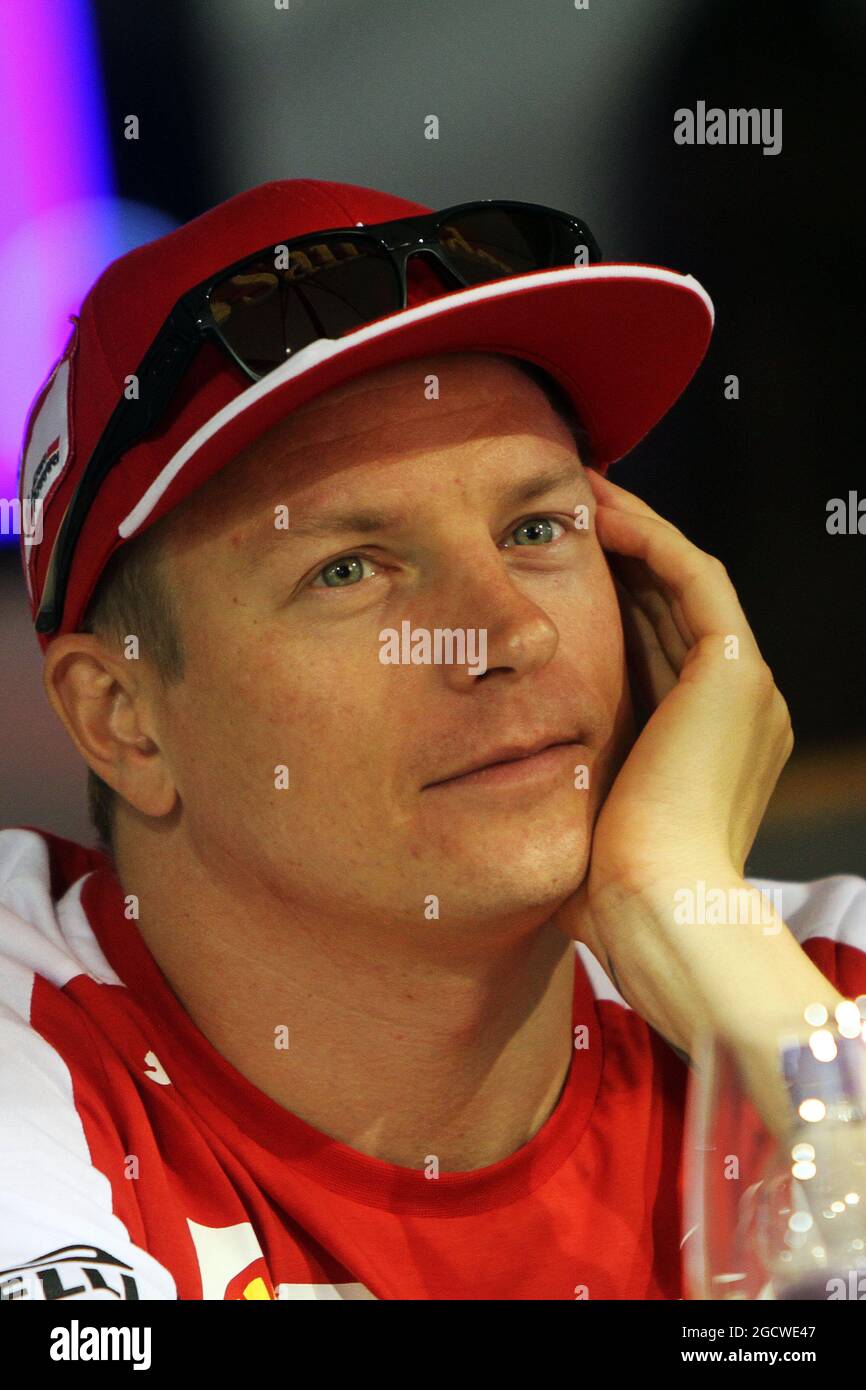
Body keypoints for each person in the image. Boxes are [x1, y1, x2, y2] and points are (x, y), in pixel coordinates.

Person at [2, 179, 864, 1301]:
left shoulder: (812, 974)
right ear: (123, 720)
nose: (508, 628)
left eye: (536, 528)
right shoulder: (36, 1069)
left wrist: (707, 938)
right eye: (348, 568)